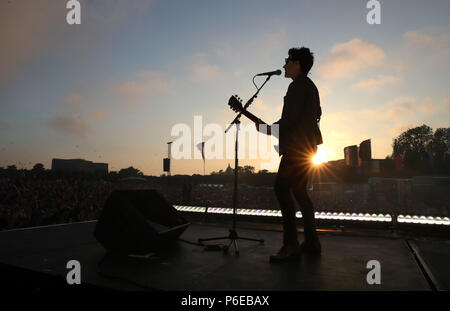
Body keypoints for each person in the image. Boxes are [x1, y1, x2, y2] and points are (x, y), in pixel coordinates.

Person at [266, 47, 323, 262]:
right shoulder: (311, 87)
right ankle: (312, 242)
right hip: (309, 148)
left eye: (287, 60)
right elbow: (316, 114)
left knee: (281, 188)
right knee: (300, 193)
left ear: (297, 63)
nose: (284, 65)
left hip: (297, 149)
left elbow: (290, 120)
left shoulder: (296, 87)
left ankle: (290, 247)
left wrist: (268, 128)